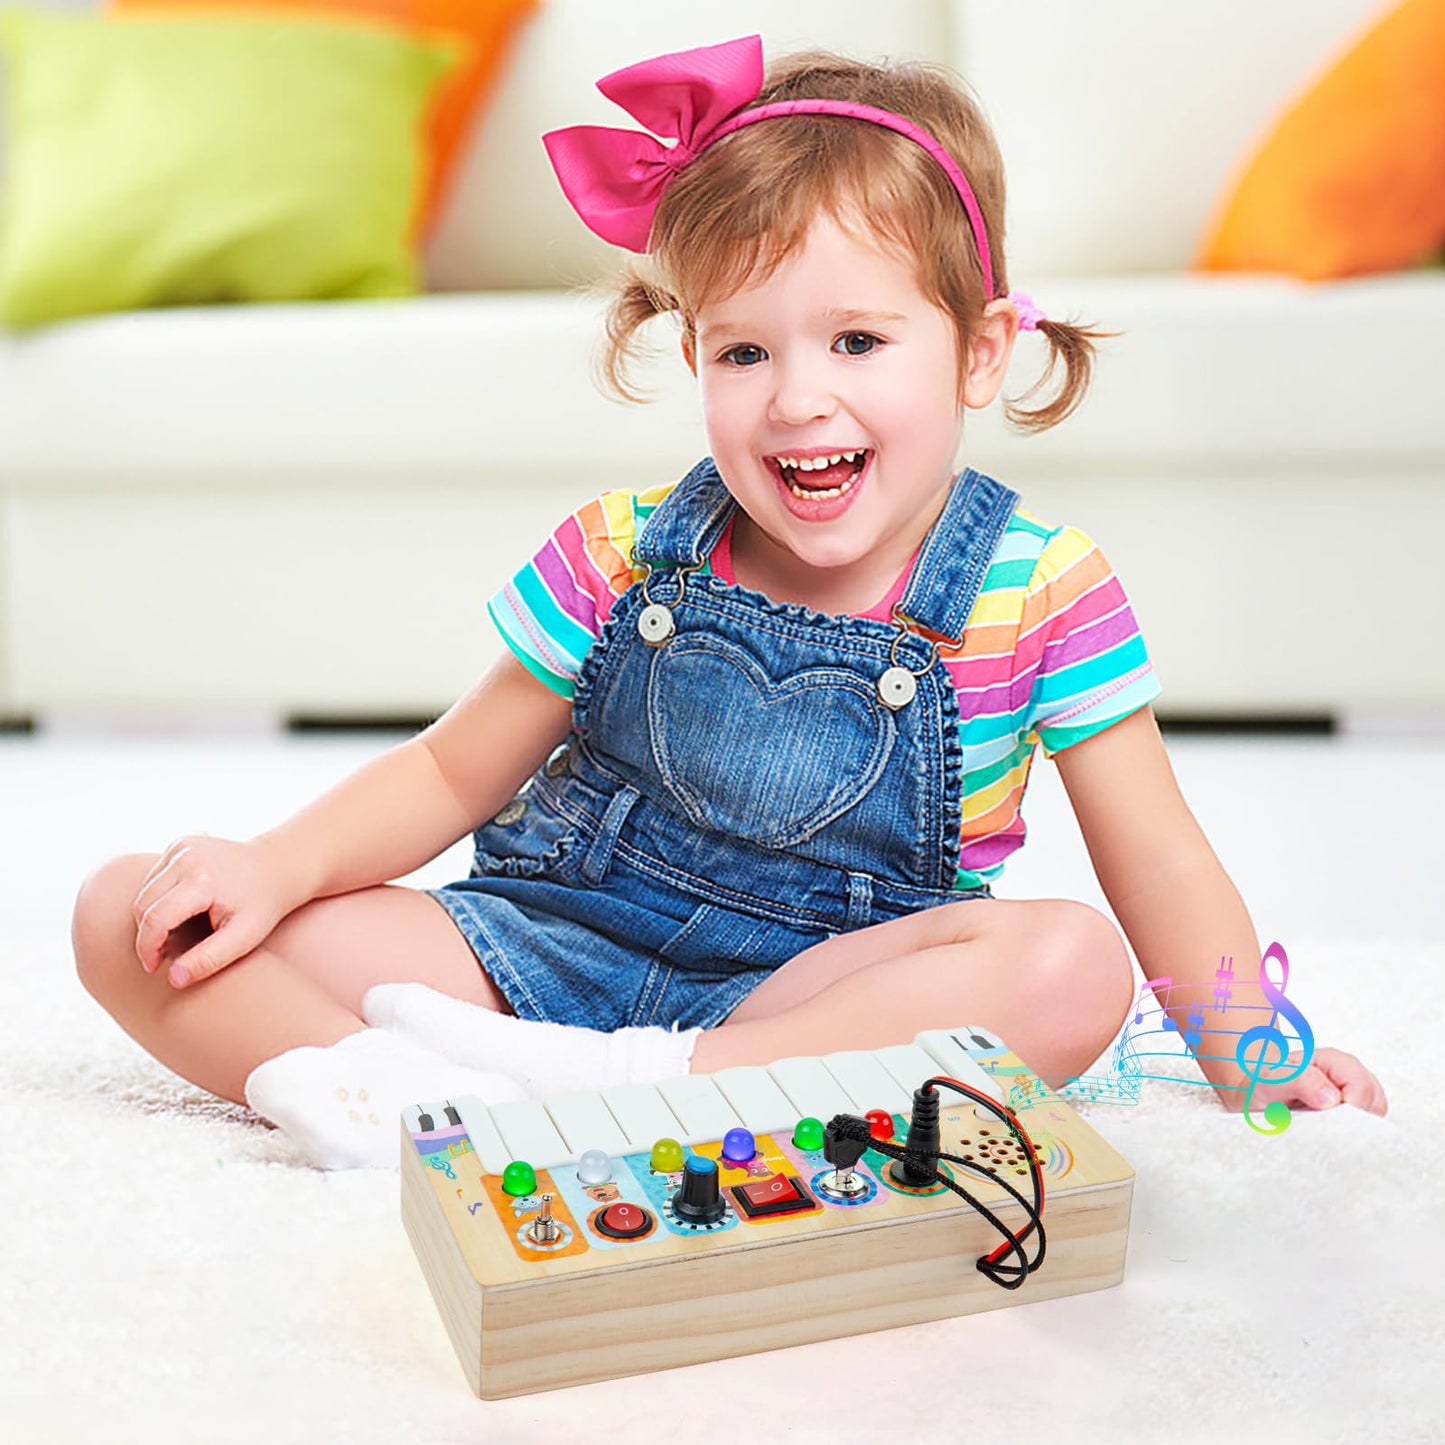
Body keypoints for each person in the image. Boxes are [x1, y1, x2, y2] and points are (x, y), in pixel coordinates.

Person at [70, 35, 1386, 1170]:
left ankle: (655, 1095)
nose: (796, 395)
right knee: (131, 913)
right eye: (744, 349)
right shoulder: (623, 549)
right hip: (544, 955)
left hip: (808, 1002)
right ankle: (398, 1100)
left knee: (1068, 966)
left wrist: (1252, 1054)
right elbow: (445, 771)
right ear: (690, 349)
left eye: (857, 341)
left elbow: (1155, 857)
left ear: (979, 350)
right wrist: (270, 866)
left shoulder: (1038, 585)